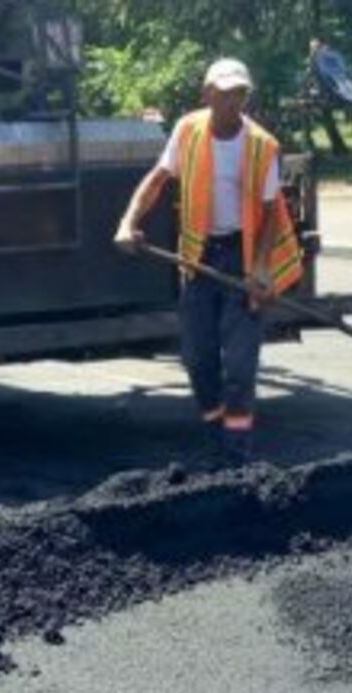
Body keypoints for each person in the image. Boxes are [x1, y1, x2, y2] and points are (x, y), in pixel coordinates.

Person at [115, 58, 304, 465]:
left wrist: (262, 268)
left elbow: (272, 210)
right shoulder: (188, 131)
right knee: (199, 361)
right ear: (207, 95)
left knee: (238, 364)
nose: (233, 102)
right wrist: (129, 221)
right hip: (199, 257)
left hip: (241, 256)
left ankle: (236, 457)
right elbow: (158, 179)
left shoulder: (262, 145)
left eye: (240, 94)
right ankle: (218, 433)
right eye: (225, 94)